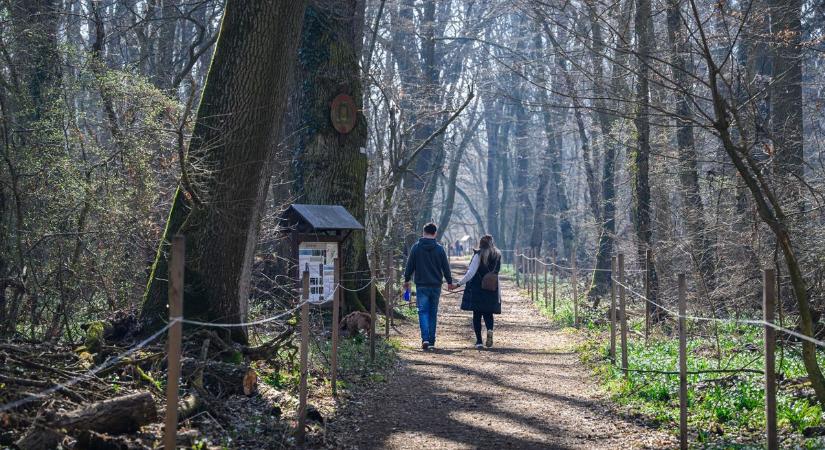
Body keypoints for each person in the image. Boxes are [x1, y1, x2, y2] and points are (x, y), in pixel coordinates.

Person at [403, 222, 455, 351]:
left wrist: (407, 279)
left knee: (422, 312)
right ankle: (431, 341)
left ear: (423, 232)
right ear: (435, 233)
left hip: (421, 285)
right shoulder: (439, 249)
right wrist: (449, 282)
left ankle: (425, 338)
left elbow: (410, 265)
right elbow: (445, 267)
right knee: (433, 312)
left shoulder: (416, 248)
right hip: (436, 285)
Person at [454, 235, 501, 349]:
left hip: (477, 289)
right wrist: (499, 293)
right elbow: (496, 275)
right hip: (492, 288)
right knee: (488, 313)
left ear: (480, 243)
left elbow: (471, 273)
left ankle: (479, 341)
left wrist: (459, 283)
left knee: (477, 315)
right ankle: (489, 330)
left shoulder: (478, 255)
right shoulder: (497, 255)